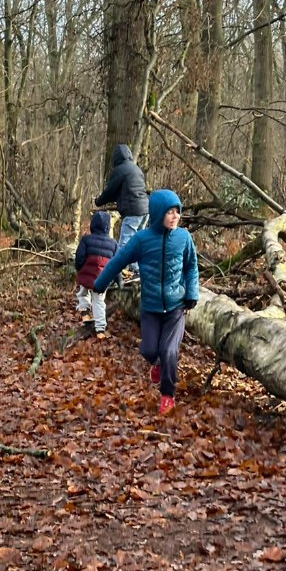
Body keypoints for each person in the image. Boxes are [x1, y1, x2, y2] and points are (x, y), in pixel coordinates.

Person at [92, 189, 199, 414]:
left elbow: (191, 267)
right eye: (169, 212)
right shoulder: (142, 240)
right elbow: (118, 260)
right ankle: (157, 364)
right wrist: (100, 284)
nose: (174, 216)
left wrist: (192, 293)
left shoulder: (183, 238)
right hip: (150, 306)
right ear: (158, 213)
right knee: (150, 350)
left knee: (169, 351)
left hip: (175, 306)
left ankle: (167, 396)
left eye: (177, 212)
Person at [94, 143, 148, 282]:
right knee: (139, 241)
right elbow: (123, 191)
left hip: (133, 211)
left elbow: (110, 190)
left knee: (125, 242)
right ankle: (138, 269)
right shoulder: (136, 169)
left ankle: (120, 273)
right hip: (145, 210)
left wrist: (98, 201)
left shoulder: (120, 170)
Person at [73, 210, 117, 337]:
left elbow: (79, 257)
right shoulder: (113, 243)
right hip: (101, 279)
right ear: (108, 227)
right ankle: (100, 329)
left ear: (92, 225)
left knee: (82, 292)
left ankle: (84, 311)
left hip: (86, 275)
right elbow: (116, 263)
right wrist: (117, 278)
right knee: (99, 302)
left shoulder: (86, 239)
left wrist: (79, 268)